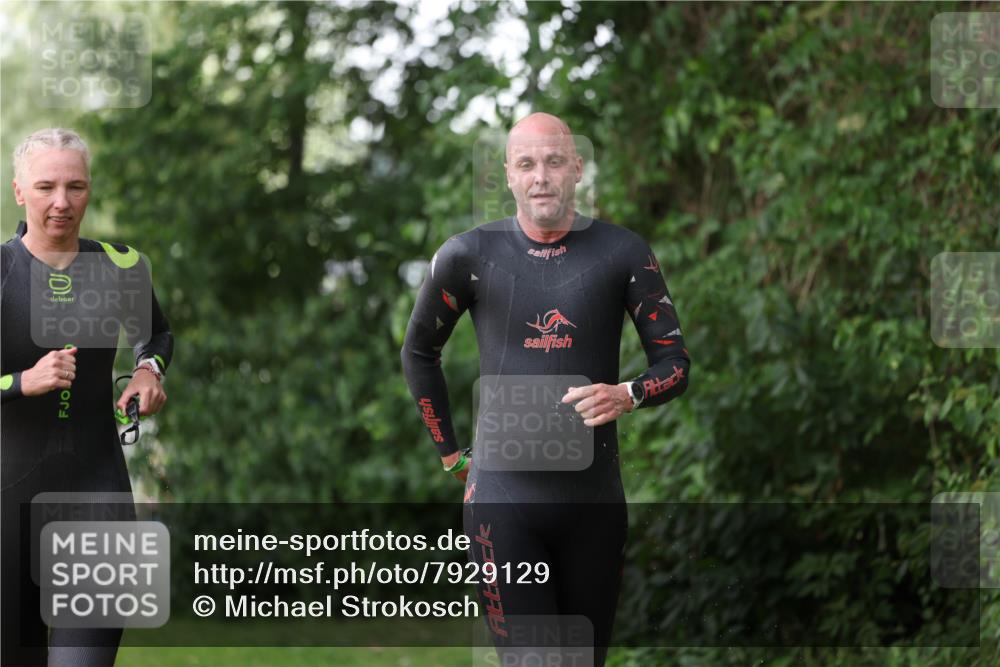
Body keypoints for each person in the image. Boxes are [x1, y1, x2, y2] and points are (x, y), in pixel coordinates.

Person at [401, 113, 690, 666]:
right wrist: (450, 456)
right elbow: (418, 352)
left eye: (555, 162)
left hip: (595, 506)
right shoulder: (467, 256)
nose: (541, 177)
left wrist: (628, 394)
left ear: (577, 168)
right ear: (507, 174)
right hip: (502, 506)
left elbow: (675, 362)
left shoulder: (623, 253)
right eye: (527, 164)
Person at [1, 128, 174, 666]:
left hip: (97, 496)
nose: (61, 201)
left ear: (89, 190)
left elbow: (157, 334)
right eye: (46, 186)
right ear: (19, 192)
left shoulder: (122, 267)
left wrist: (148, 370)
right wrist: (19, 383)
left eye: (75, 186)